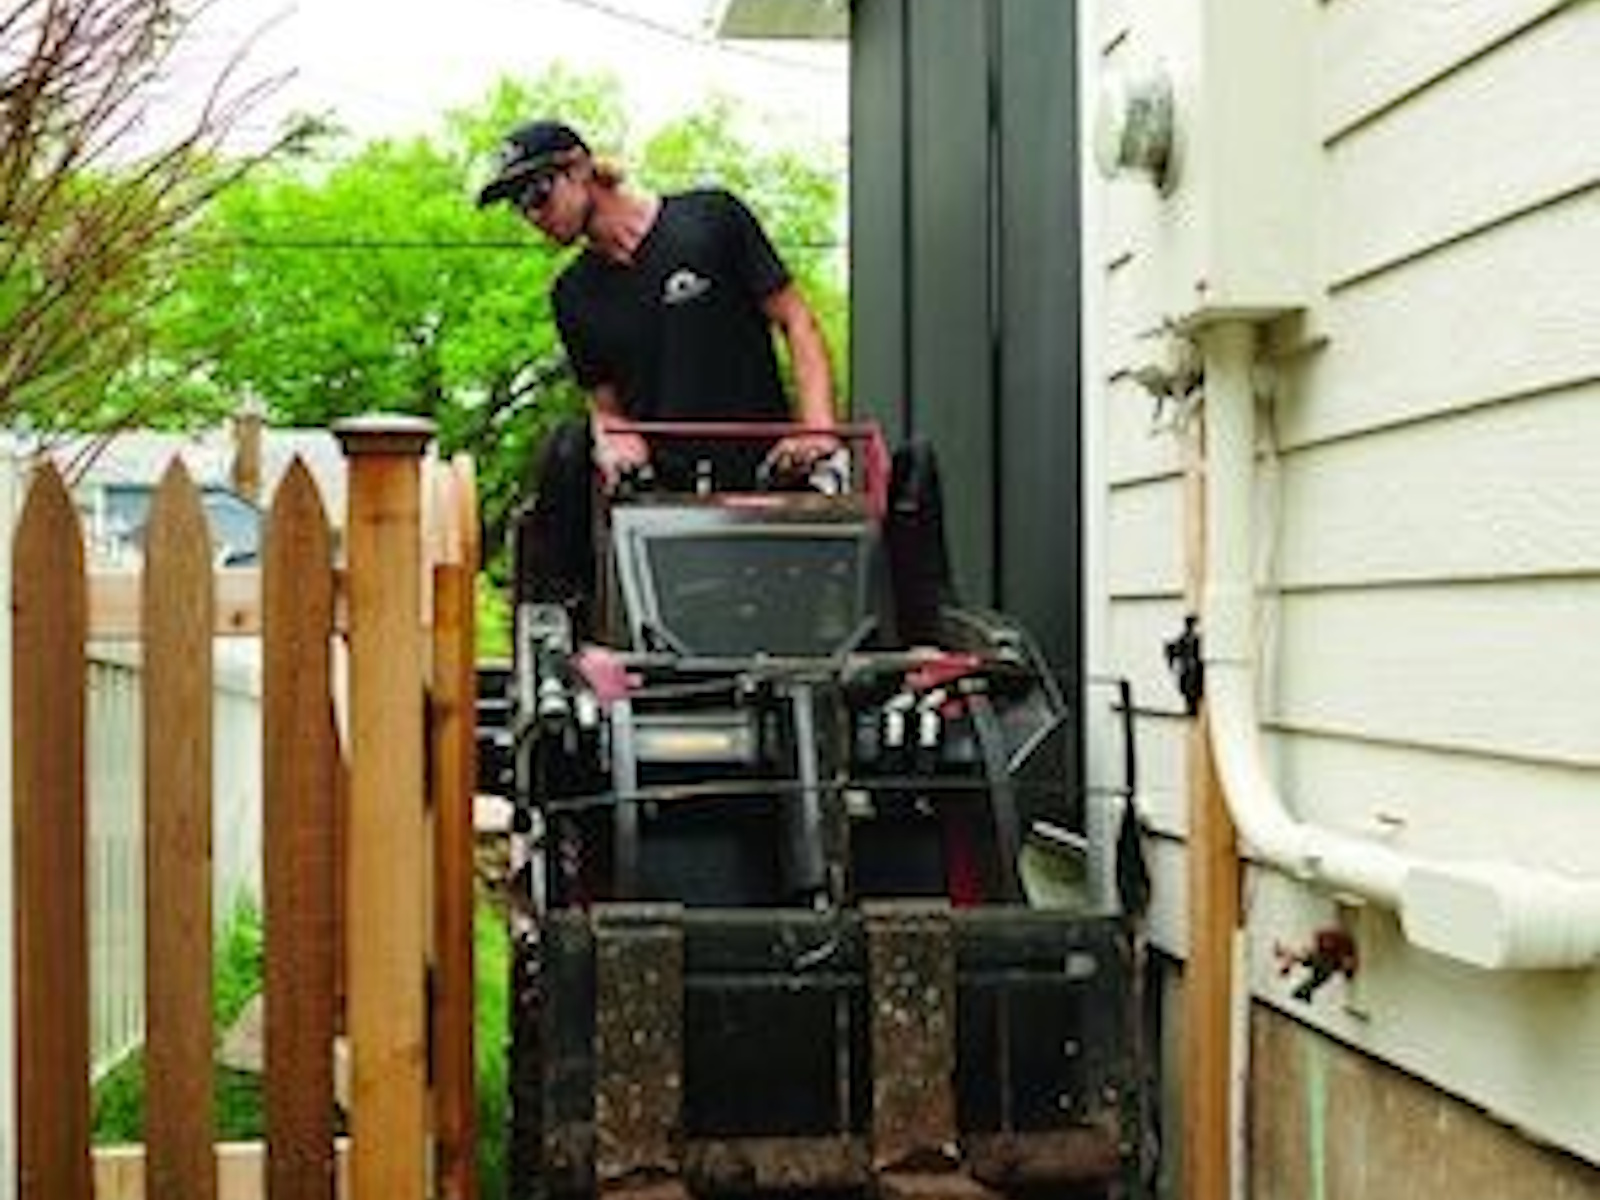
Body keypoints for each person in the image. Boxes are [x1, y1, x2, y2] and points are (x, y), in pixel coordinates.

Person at [478, 119, 839, 489]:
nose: (533, 216)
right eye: (518, 206)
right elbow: (607, 410)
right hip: (664, 504)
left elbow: (796, 320)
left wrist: (818, 429)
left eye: (537, 195)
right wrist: (619, 444)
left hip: (767, 482)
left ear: (580, 167)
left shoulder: (711, 218)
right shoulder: (572, 295)